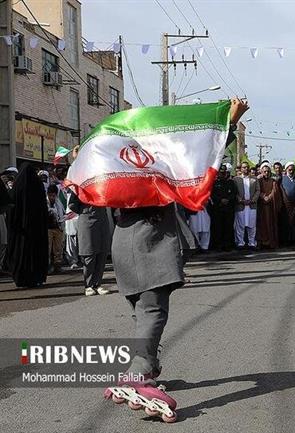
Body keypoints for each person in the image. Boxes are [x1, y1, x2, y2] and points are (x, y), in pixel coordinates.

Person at [103, 98, 249, 422]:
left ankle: (147, 367)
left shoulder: (118, 163)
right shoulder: (154, 164)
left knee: (142, 313)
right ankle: (138, 374)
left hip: (123, 243)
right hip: (150, 242)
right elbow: (198, 157)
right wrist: (230, 123)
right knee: (153, 312)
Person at [3, 165, 48, 287]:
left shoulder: (16, 189)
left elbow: (10, 210)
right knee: (35, 254)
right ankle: (36, 277)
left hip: (20, 233)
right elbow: (44, 210)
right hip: (36, 231)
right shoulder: (38, 187)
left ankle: (21, 277)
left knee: (20, 253)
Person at [68, 192, 111, 296]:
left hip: (102, 217)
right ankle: (88, 285)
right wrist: (84, 210)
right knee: (89, 253)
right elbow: (72, 204)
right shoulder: (81, 183)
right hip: (87, 218)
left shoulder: (102, 182)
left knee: (102, 252)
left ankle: (97, 283)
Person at [209, 164, 237, 251]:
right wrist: (220, 200)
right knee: (218, 227)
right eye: (221, 172)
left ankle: (228, 245)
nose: (223, 174)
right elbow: (212, 194)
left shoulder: (231, 182)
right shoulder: (214, 183)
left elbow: (234, 194)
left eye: (224, 172)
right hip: (218, 208)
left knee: (228, 227)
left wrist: (227, 199)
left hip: (228, 209)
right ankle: (218, 245)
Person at [233, 161, 260, 249]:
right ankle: (240, 243)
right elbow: (235, 192)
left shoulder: (254, 179)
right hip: (241, 205)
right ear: (240, 169)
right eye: (244, 167)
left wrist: (253, 200)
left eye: (247, 167)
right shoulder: (236, 179)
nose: (246, 169)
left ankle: (251, 243)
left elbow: (258, 190)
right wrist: (240, 200)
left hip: (251, 205)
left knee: (252, 225)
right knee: (240, 225)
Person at [280, 161, 295, 246]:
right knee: (286, 223)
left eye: (293, 170)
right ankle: (286, 241)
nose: (291, 171)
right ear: (286, 169)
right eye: (290, 169)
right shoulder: (282, 179)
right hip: (286, 205)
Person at [257, 163, 281, 249]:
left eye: (268, 171)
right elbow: (257, 191)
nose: (266, 173)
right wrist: (263, 197)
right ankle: (262, 243)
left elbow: (274, 191)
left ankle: (270, 243)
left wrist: (269, 197)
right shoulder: (258, 181)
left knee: (270, 224)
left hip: (270, 207)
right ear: (261, 172)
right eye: (264, 171)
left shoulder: (273, 181)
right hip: (261, 207)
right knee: (261, 225)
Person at [46, 184, 65, 274]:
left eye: (54, 195)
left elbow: (61, 213)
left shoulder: (58, 203)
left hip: (58, 228)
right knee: (47, 248)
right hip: (48, 228)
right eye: (50, 195)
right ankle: (48, 266)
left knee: (58, 249)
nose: (52, 197)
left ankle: (57, 266)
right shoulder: (44, 203)